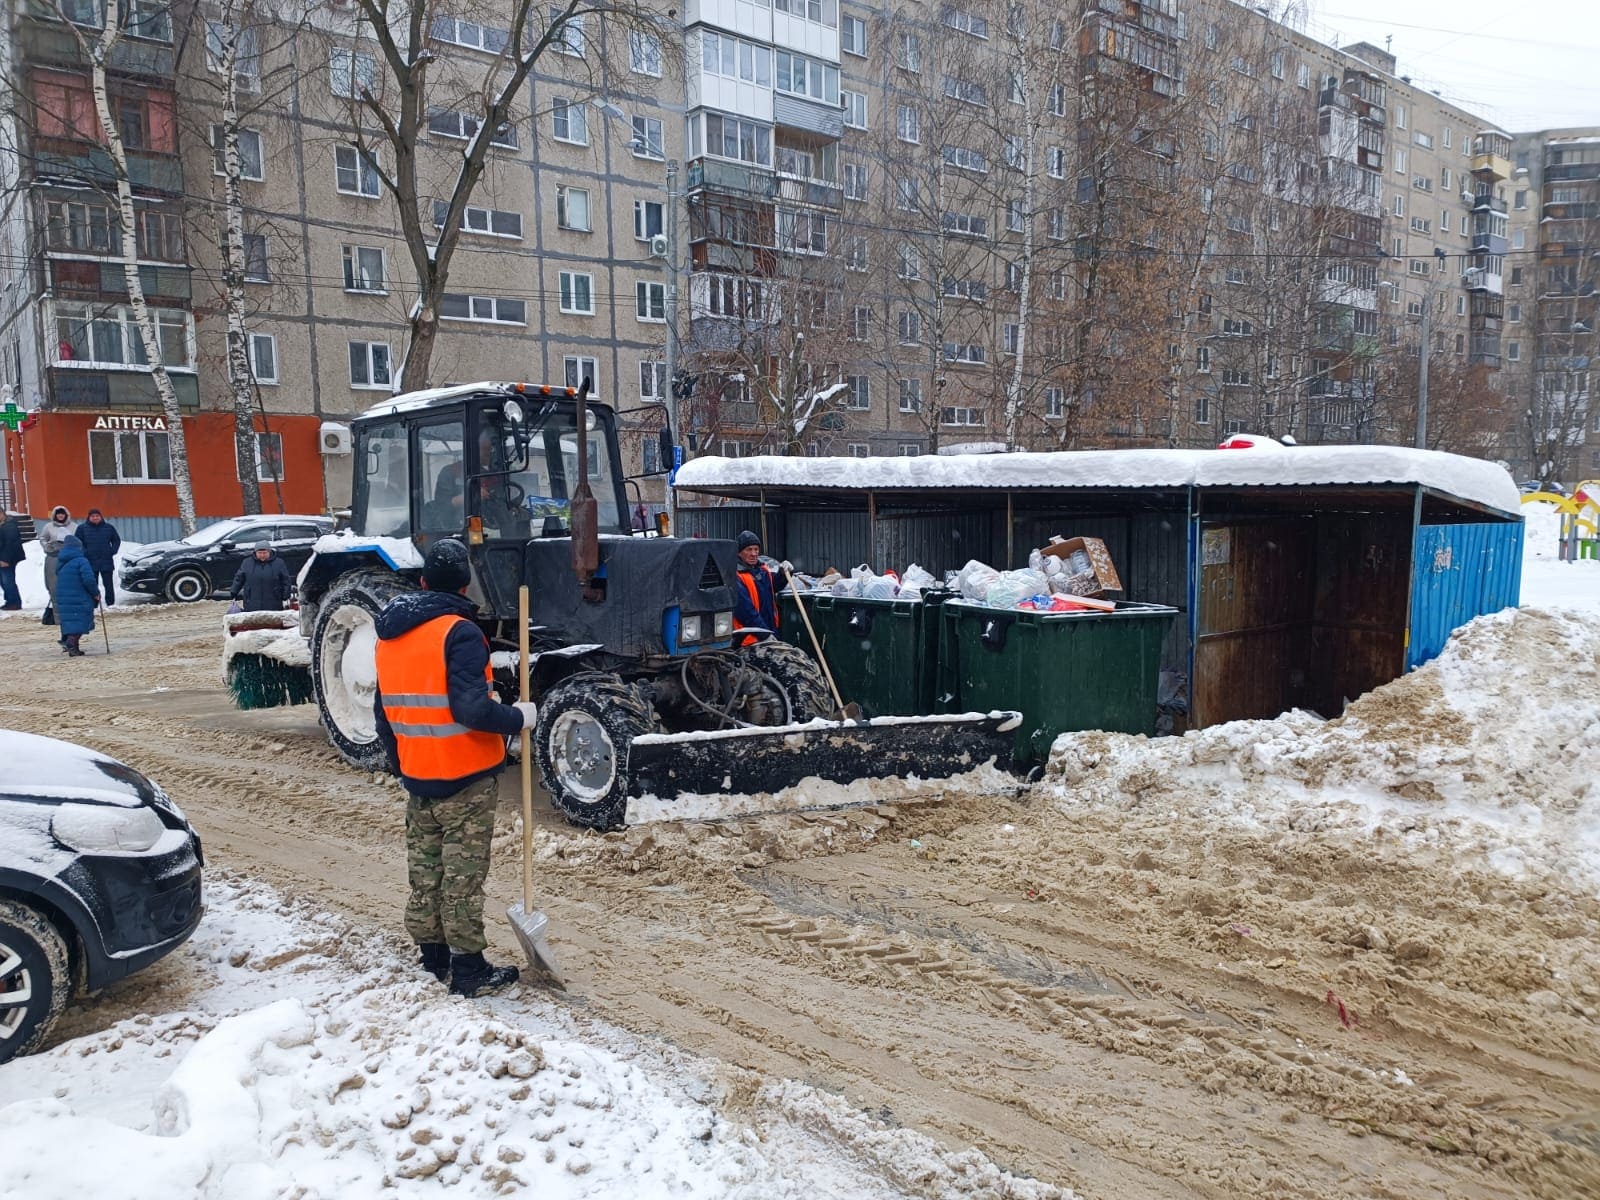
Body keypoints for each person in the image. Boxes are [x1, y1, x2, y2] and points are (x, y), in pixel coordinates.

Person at [372, 538, 536, 998]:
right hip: (465, 776)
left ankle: (432, 957)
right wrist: (517, 718)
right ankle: (468, 971)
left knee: (426, 872)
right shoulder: (459, 633)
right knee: (462, 877)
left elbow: (382, 714)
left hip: (419, 776)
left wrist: (402, 764)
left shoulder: (390, 635)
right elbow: (471, 710)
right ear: (466, 585)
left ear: (423, 582)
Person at [731, 530, 790, 647]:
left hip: (770, 630)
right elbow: (746, 612)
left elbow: (772, 587)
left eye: (756, 549)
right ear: (739, 553)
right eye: (749, 550)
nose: (753, 553)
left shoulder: (762, 570)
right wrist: (764, 634)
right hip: (750, 640)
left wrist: (783, 574)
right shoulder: (736, 577)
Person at [54, 535, 100, 657]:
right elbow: (89, 579)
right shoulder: (81, 561)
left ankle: (74, 647)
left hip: (64, 596)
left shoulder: (61, 561)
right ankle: (70, 643)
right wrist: (95, 593)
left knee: (72, 620)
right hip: (79, 595)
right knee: (81, 619)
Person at [74, 508, 121, 604]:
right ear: (89, 517)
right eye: (93, 516)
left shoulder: (109, 528)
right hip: (90, 561)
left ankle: (110, 603)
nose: (95, 518)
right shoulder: (82, 528)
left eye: (97, 516)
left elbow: (116, 540)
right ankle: (93, 603)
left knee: (108, 584)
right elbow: (77, 542)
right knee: (92, 584)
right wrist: (84, 553)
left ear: (101, 517)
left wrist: (112, 551)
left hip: (106, 560)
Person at [230, 541, 294, 612]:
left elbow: (286, 580)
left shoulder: (279, 563)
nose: (262, 555)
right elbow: (239, 578)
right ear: (255, 552)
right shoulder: (247, 563)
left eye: (265, 553)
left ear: (269, 552)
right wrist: (234, 591)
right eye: (259, 553)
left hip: (273, 601)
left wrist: (286, 594)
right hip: (251, 601)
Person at [37, 505, 73, 626]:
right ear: (55, 515)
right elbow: (42, 538)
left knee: (69, 588)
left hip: (69, 559)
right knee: (54, 587)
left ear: (66, 515)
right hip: (53, 558)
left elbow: (79, 540)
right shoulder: (48, 527)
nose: (60, 516)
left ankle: (70, 616)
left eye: (62, 514)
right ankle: (58, 619)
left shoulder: (73, 526)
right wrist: (46, 546)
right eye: (58, 514)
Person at [0, 511, 23, 610]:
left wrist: (5, 559)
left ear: (2, 513)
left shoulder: (9, 525)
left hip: (8, 558)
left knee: (7, 581)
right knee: (2, 581)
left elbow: (11, 544)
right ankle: (9, 601)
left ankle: (14, 602)